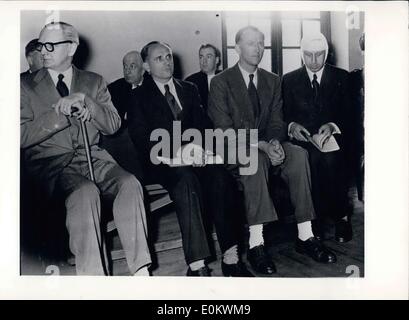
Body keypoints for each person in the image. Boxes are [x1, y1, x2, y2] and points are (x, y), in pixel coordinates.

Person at [20, 22, 151, 276]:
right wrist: (60, 115)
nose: (43, 51)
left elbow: (113, 125)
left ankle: (141, 270)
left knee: (130, 184)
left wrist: (86, 102)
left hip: (94, 159)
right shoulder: (24, 86)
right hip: (51, 166)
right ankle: (93, 279)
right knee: (85, 193)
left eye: (50, 45)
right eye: (40, 45)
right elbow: (19, 135)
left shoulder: (94, 81)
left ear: (71, 47)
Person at [208, 26, 336, 275]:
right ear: (237, 48)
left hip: (268, 147)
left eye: (260, 43)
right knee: (254, 159)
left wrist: (276, 142)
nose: (257, 48)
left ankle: (305, 235)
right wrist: (263, 145)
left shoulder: (273, 80)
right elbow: (224, 129)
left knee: (298, 155)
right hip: (236, 150)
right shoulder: (221, 82)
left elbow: (277, 122)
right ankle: (257, 244)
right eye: (250, 43)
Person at [128, 41, 252, 277]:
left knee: (220, 176)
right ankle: (197, 266)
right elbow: (143, 139)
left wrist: (199, 148)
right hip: (162, 163)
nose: (167, 61)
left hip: (195, 157)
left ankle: (231, 256)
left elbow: (205, 127)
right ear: (145, 65)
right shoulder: (138, 97)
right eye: (159, 58)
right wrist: (181, 151)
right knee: (186, 180)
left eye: (168, 56)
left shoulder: (189, 89)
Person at [282, 32, 353, 243]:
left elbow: (352, 115)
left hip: (334, 139)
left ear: (327, 54)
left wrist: (332, 125)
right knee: (310, 159)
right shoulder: (289, 80)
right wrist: (291, 126)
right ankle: (316, 220)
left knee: (331, 159)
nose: (313, 61)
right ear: (301, 54)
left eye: (319, 55)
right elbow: (282, 116)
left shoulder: (342, 77)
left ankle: (341, 217)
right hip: (303, 142)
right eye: (308, 55)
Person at [99, 51, 145, 182]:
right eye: (125, 66)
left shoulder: (153, 86)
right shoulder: (114, 88)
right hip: (124, 140)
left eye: (132, 66)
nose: (127, 70)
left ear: (143, 69)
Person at [185, 44, 221, 110]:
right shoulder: (190, 81)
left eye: (208, 57)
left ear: (216, 60)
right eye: (201, 57)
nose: (204, 61)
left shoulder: (226, 78)